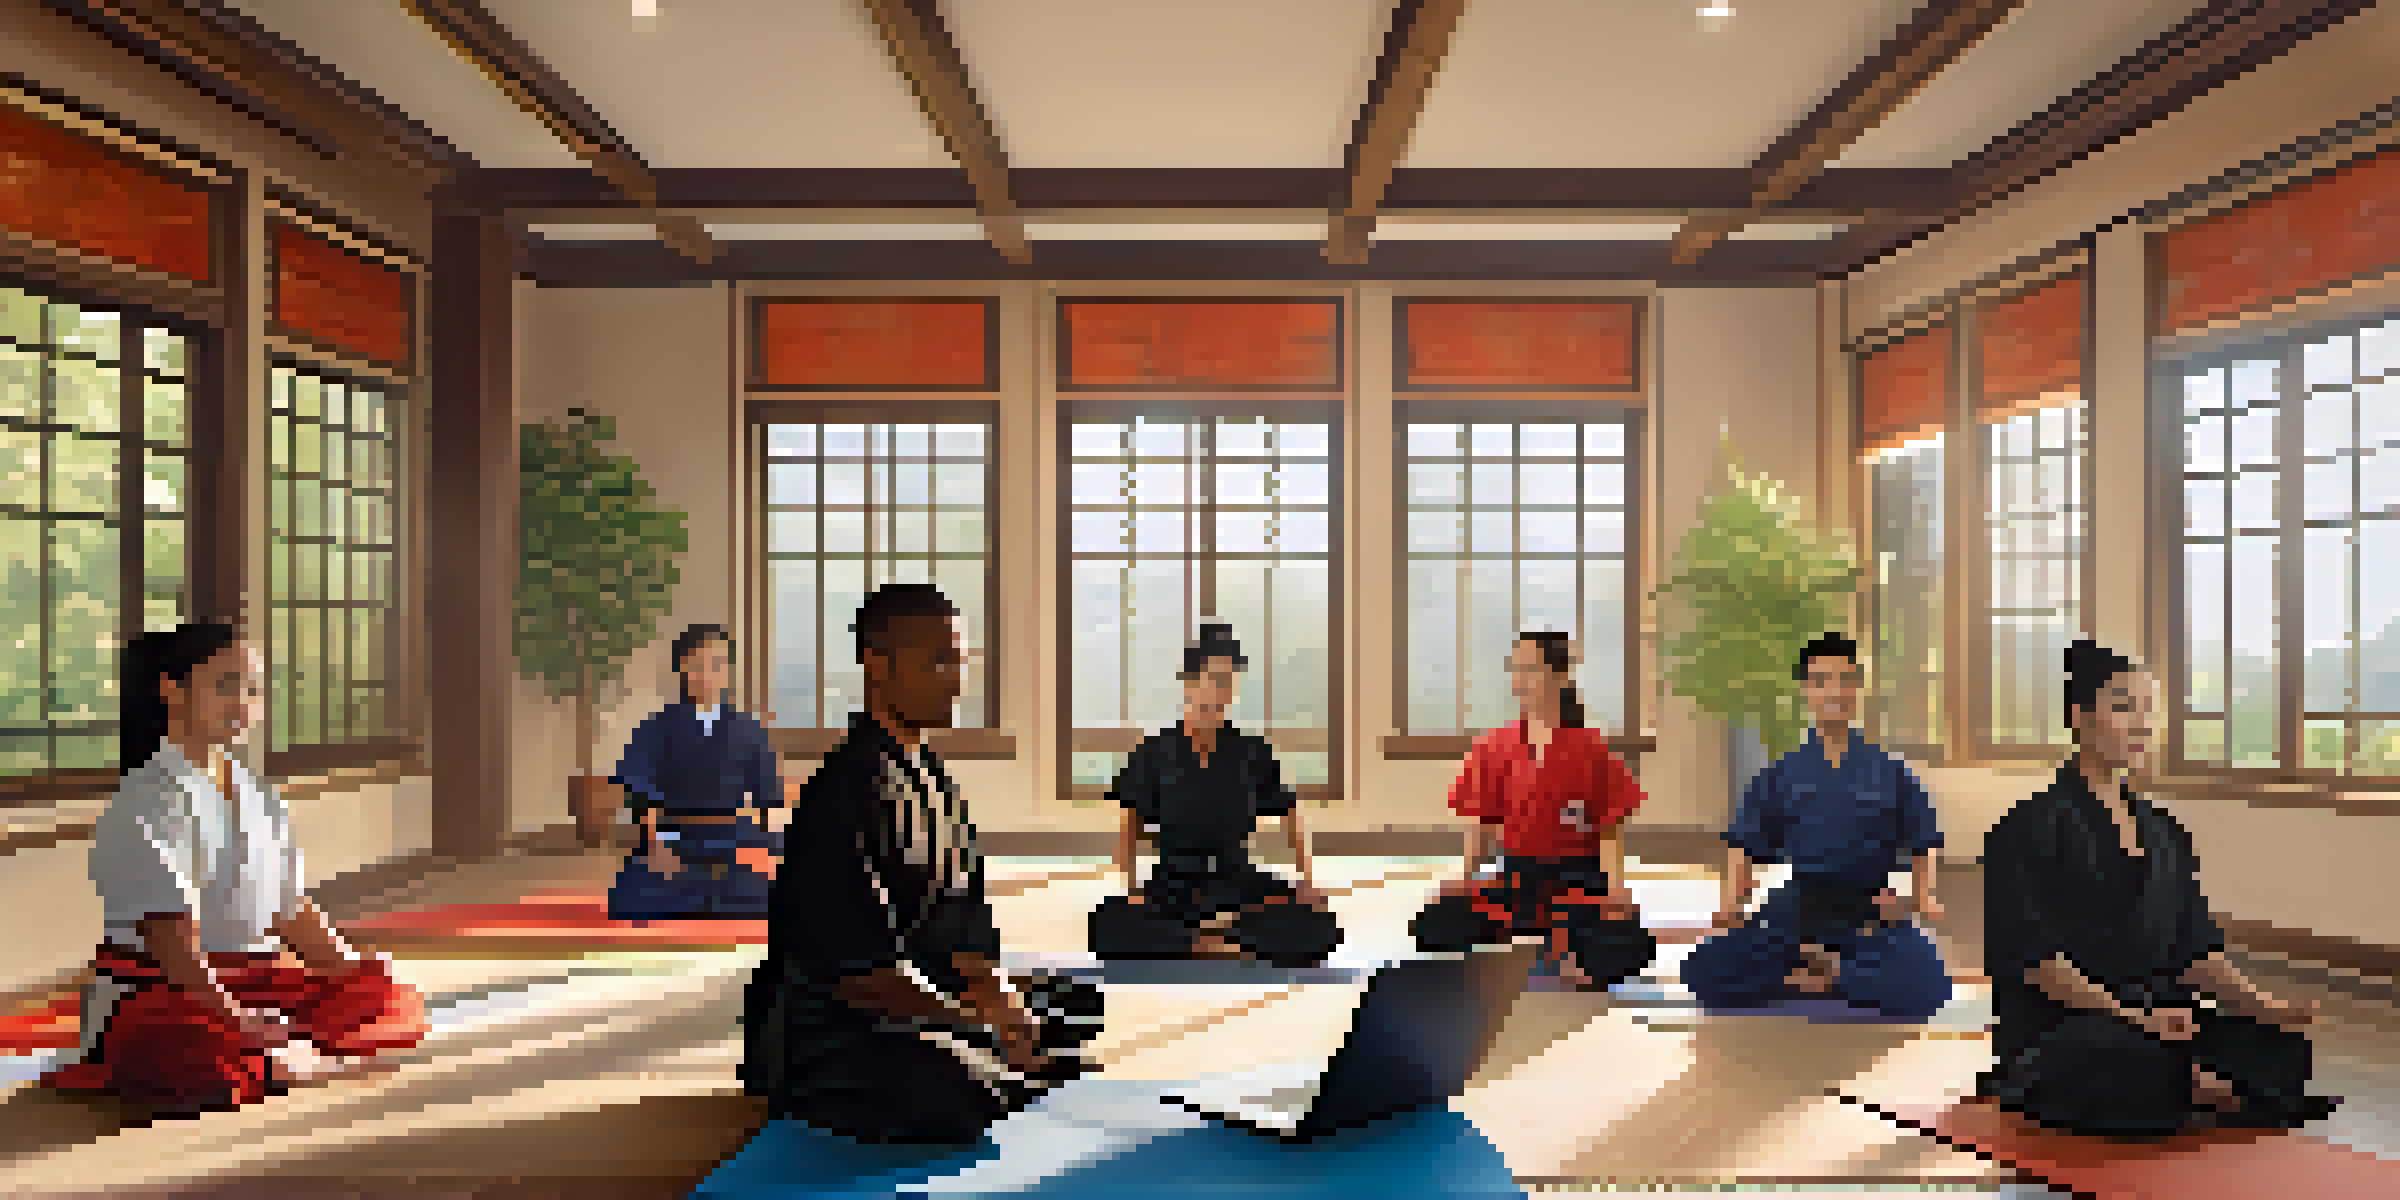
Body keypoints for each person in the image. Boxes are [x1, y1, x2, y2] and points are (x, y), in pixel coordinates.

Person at [740, 584, 1103, 1145]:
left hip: (930, 994)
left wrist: (1000, 996)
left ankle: (1007, 1061)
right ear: (877, 666)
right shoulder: (842, 793)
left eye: (959, 660)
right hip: (838, 1027)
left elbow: (964, 923)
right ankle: (1004, 1069)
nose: (956, 681)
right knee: (951, 1084)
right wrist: (976, 1021)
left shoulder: (934, 780)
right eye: (939, 661)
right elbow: (861, 976)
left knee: (1074, 999)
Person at [41, 623, 428, 1116]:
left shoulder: (258, 794)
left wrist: (353, 970)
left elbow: (291, 910)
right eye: (225, 685)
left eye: (252, 689)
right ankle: (276, 1056)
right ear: (171, 688)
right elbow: (169, 944)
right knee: (196, 1050)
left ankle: (276, 1054)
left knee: (392, 995)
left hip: (261, 982)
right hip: (168, 989)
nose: (242, 703)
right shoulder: (146, 798)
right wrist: (237, 1016)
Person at [1978, 638, 2339, 1137]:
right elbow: (2037, 967)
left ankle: (2189, 1085)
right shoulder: (2026, 828)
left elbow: (2195, 953)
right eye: (2123, 707)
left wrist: (2265, 1004)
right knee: (2123, 1057)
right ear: (2081, 717)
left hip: (2159, 1016)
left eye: (2150, 710)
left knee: (2282, 1046)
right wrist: (2130, 1016)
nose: (2142, 724)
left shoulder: (2164, 831)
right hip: (2067, 1026)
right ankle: (2194, 1086)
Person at [1679, 632, 1952, 1021]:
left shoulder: (1891, 770)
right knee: (1703, 972)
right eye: (1821, 681)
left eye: (1844, 680)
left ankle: (1827, 975)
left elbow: (1925, 842)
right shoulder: (1782, 771)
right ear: (1806, 691)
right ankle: (1824, 971)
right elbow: (1744, 841)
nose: (1833, 691)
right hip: (1800, 903)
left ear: (1857, 688)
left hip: (1870, 904)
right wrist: (1731, 901)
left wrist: (1918, 896)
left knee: (1929, 984)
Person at [1408, 632, 1656, 992]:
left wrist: (1615, 889)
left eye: (1531, 669)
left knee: (1625, 947)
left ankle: (1561, 938)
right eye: (1515, 670)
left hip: (1578, 880)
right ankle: (1544, 937)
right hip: (1518, 877)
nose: (1520, 680)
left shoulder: (1591, 748)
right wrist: (1464, 876)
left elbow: (1609, 829)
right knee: (1435, 924)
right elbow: (1484, 822)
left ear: (1560, 676)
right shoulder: (1494, 744)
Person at [1086, 624, 1343, 967]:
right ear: (1190, 682)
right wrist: (1131, 887)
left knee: (1321, 927)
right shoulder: (1153, 751)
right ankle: (1224, 944)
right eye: (1217, 678)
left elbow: (1290, 813)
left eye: (1232, 680)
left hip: (1237, 881)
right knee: (1108, 924)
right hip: (1174, 884)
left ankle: (1198, 942)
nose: (1225, 690)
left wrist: (1306, 881)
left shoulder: (1251, 750)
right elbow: (1130, 825)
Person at [607, 624, 785, 921]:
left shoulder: (749, 729)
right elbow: (641, 790)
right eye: (699, 665)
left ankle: (714, 897)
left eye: (717, 665)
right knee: (632, 898)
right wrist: (656, 844)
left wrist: (773, 851)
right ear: (683, 667)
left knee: (780, 895)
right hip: (674, 836)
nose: (708, 674)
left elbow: (769, 799)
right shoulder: (657, 726)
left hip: (733, 840)